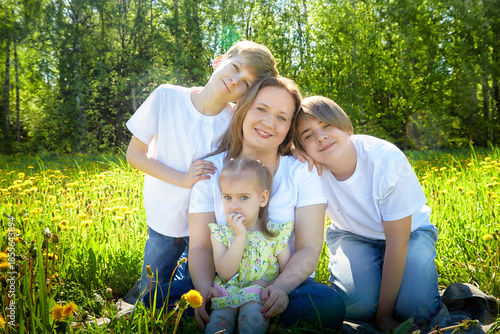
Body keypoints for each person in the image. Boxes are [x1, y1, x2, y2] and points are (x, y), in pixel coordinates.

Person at [188, 77, 346, 331]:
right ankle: (233, 314)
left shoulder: (301, 171)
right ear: (244, 110)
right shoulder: (211, 170)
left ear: (289, 128)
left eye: (282, 118)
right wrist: (205, 291)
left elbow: (309, 247)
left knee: (327, 304)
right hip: (222, 280)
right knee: (169, 296)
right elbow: (200, 247)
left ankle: (253, 315)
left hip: (278, 282)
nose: (269, 123)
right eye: (261, 109)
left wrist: (280, 289)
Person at [125, 40, 279, 300]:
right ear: (219, 60)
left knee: (195, 289)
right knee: (150, 297)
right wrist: (183, 179)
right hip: (163, 217)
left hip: (209, 226)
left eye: (246, 84)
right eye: (235, 68)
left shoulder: (235, 122)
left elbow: (267, 138)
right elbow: (134, 156)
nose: (235, 80)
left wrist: (297, 149)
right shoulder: (167, 97)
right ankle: (141, 293)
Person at [293, 96, 442, 332]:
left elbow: (397, 243)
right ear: (302, 148)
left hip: (409, 236)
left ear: (347, 127)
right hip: (352, 235)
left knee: (415, 311)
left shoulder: (385, 161)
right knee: (356, 308)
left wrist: (383, 317)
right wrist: (292, 151)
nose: (320, 137)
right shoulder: (308, 169)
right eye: (308, 135)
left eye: (327, 125)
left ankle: (395, 284)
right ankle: (374, 279)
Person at [204, 158, 293, 334]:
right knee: (218, 323)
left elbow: (288, 271)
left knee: (253, 320)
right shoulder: (221, 234)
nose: (234, 205)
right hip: (227, 293)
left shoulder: (275, 234)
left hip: (259, 294)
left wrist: (271, 284)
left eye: (244, 197)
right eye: (227, 197)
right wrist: (239, 236)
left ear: (262, 198)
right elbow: (225, 273)